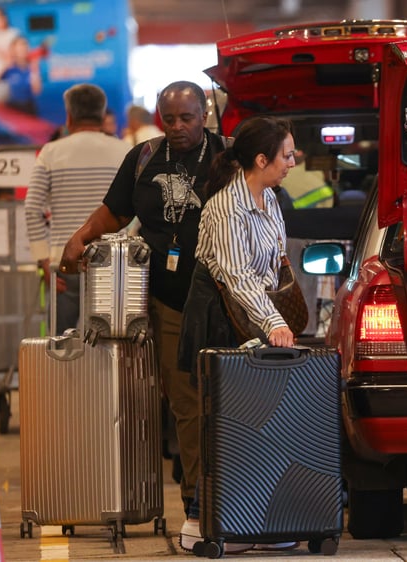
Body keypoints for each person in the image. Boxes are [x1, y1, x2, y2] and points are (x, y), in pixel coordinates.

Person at [59, 80, 227, 549]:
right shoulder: (144, 157)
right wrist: (80, 237)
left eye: (186, 118)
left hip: (225, 301)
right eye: (168, 118)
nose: (176, 127)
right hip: (165, 299)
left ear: (204, 113)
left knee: (224, 400)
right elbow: (114, 212)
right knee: (185, 401)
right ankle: (197, 502)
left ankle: (229, 494)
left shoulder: (227, 156)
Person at [175, 115, 299, 553]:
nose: (292, 162)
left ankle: (255, 521)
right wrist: (275, 322)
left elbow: (273, 262)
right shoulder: (227, 207)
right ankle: (199, 523)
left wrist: (272, 316)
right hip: (219, 319)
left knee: (256, 422)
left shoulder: (270, 198)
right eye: (287, 155)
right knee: (225, 424)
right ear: (261, 160)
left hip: (251, 317)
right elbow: (237, 278)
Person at [24, 84, 130, 333]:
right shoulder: (125, 152)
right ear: (103, 115)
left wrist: (44, 261)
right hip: (113, 264)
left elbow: (32, 208)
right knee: (110, 338)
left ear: (69, 116)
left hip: (64, 263)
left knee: (60, 342)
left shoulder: (51, 152)